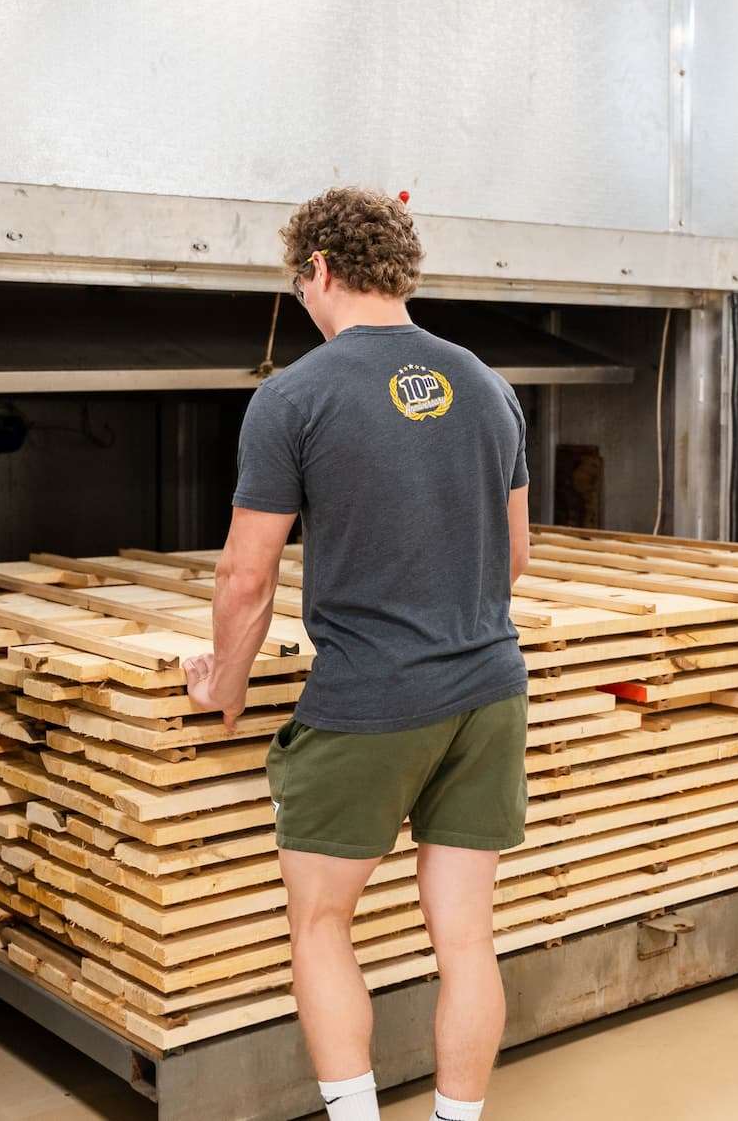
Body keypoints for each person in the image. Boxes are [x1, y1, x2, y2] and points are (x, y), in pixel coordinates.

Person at [185, 187, 532, 1121]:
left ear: (320, 271)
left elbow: (245, 579)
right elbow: (517, 555)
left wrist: (224, 680)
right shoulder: (489, 385)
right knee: (465, 938)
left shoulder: (294, 396)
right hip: (489, 689)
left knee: (321, 921)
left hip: (371, 699)